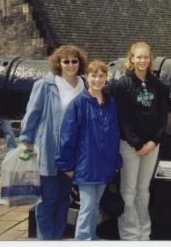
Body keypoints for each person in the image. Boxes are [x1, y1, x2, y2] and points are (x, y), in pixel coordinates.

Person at [19, 45, 87, 240]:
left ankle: (56, 237)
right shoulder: (46, 85)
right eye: (66, 61)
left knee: (64, 198)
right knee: (47, 199)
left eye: (74, 61)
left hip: (72, 151)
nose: (71, 65)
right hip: (49, 149)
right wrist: (26, 141)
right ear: (59, 63)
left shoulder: (84, 85)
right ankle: (45, 239)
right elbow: (32, 114)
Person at [56, 60, 122, 240]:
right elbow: (68, 135)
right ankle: (83, 238)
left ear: (106, 78)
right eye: (94, 75)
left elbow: (114, 134)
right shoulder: (78, 104)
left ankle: (91, 236)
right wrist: (67, 164)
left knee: (95, 204)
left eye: (101, 76)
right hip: (86, 164)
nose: (98, 79)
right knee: (87, 205)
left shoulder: (111, 103)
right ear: (86, 77)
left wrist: (116, 161)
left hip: (104, 163)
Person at [114, 41, 167, 240]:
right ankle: (129, 235)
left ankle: (144, 234)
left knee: (143, 190)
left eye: (146, 57)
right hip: (130, 146)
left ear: (150, 59)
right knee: (128, 190)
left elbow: (162, 116)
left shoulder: (158, 85)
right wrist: (137, 144)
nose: (142, 60)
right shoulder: (122, 85)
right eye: (139, 57)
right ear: (132, 58)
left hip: (151, 145)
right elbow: (123, 118)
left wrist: (154, 141)